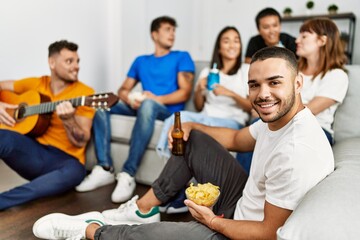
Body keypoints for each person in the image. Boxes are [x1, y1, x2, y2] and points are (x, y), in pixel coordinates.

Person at [33, 46, 335, 240]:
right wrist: (191, 126)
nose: (263, 94)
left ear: (298, 84)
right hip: (242, 202)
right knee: (195, 138)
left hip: (242, 232)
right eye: (254, 85)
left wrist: (212, 221)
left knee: (153, 236)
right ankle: (141, 209)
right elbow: (236, 138)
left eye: (274, 82)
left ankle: (90, 232)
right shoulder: (278, 120)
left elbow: (269, 233)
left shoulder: (296, 148)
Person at [75, 16, 195, 204]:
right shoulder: (141, 61)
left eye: (174, 30)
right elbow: (123, 90)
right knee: (102, 104)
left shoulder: (182, 57)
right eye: (167, 29)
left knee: (148, 105)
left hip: (166, 110)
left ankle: (128, 173)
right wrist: (131, 99)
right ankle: (104, 168)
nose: (172, 33)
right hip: (143, 107)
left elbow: (184, 93)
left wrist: (154, 99)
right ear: (154, 34)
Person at [156, 26, 251, 214]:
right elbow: (199, 106)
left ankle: (177, 192)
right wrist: (199, 90)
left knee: (190, 130)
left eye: (236, 40)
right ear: (219, 47)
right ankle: (178, 182)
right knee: (178, 118)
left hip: (231, 122)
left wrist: (229, 93)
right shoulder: (208, 71)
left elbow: (252, 107)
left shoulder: (246, 70)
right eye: (226, 40)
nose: (232, 44)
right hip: (206, 117)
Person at [0, 40, 95, 210]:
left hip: (64, 161)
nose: (76, 66)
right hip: (34, 153)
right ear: (52, 63)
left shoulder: (85, 93)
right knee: (3, 136)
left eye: (77, 61)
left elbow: (81, 141)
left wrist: (69, 121)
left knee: (76, 172)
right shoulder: (35, 84)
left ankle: (3, 200)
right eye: (69, 61)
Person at [295, 17, 348, 145]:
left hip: (317, 130)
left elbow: (309, 110)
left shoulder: (337, 75)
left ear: (322, 40)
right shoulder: (293, 71)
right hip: (285, 125)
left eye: (304, 36)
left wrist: (274, 111)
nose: (297, 40)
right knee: (258, 127)